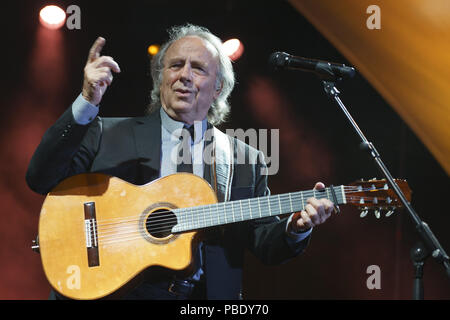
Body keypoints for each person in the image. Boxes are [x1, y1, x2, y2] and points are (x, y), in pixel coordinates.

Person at [26, 24, 334, 300]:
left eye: (198, 68)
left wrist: (296, 227)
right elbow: (40, 178)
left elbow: (263, 242)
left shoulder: (244, 159)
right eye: (175, 65)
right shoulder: (106, 132)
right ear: (161, 79)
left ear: (218, 89)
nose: (184, 75)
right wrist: (87, 101)